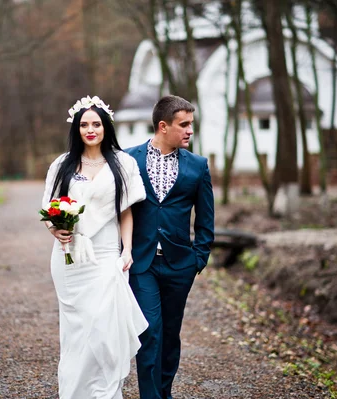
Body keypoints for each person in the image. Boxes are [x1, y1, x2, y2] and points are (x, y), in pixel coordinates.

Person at [41, 95, 149, 399]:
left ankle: (105, 392)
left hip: (104, 255)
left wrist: (127, 249)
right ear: (76, 128)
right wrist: (56, 231)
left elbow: (126, 211)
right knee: (76, 334)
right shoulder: (62, 165)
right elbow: (49, 209)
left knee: (103, 328)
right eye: (84, 124)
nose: (90, 129)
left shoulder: (123, 163)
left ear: (106, 126)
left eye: (96, 123)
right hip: (69, 257)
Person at [125, 95, 215, 399]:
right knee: (149, 331)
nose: (190, 130)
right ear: (163, 126)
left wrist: (198, 259)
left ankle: (164, 392)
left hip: (180, 265)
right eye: (184, 124)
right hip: (142, 263)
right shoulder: (128, 160)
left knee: (170, 335)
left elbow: (205, 219)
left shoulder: (198, 166)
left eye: (192, 124)